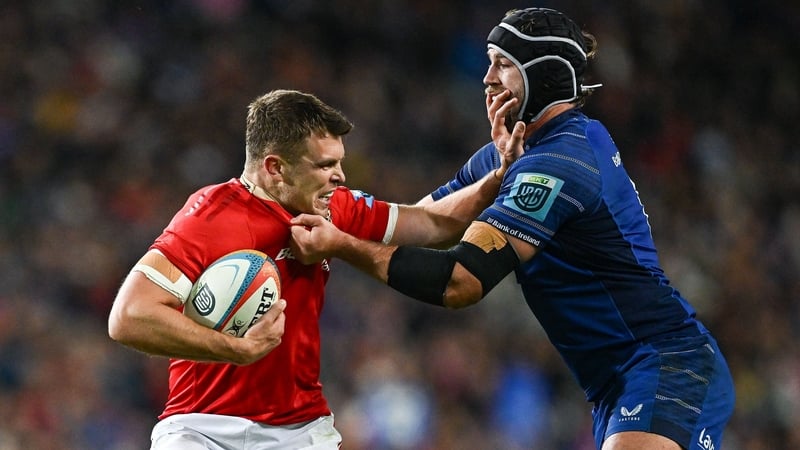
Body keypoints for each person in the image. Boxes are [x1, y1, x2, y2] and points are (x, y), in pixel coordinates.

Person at [289, 8, 736, 450]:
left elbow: (460, 282)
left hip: (665, 362)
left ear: (545, 75)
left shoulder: (561, 163)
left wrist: (342, 246)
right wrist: (331, 208)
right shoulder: (511, 156)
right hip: (614, 385)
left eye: (504, 64)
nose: (488, 78)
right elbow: (425, 220)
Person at [108, 88, 518, 450]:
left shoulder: (333, 207)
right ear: (275, 168)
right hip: (202, 428)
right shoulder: (211, 217)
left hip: (300, 429)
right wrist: (237, 349)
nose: (339, 175)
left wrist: (498, 177)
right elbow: (128, 317)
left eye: (339, 162)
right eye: (324, 165)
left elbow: (432, 223)